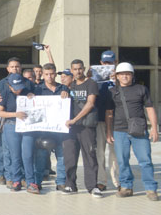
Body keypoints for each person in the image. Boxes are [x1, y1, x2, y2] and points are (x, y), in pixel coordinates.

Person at [106, 62, 159, 201]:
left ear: (132, 75)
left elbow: (149, 108)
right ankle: (126, 187)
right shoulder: (112, 92)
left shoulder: (141, 89)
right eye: (122, 74)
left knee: (145, 160)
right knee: (122, 161)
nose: (125, 76)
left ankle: (150, 189)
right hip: (119, 130)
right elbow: (109, 113)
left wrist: (155, 128)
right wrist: (108, 132)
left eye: (128, 74)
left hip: (139, 130)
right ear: (117, 76)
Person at [63, 59, 102, 198]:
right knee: (70, 157)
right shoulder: (69, 85)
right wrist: (63, 95)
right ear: (71, 70)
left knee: (90, 156)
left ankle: (92, 187)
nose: (78, 71)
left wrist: (74, 119)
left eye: (80, 68)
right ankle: (70, 185)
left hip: (86, 126)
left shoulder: (91, 83)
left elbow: (90, 104)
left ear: (84, 68)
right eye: (75, 69)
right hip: (70, 129)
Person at [0, 73, 38, 193]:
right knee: (15, 155)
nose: (18, 90)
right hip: (11, 125)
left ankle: (31, 182)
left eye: (20, 87)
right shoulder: (4, 93)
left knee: (28, 154)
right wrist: (15, 114)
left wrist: (32, 97)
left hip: (27, 126)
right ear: (9, 86)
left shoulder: (27, 91)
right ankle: (16, 180)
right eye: (15, 88)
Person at [35, 63, 69, 191]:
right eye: (46, 74)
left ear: (55, 74)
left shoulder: (64, 88)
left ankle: (60, 182)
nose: (49, 77)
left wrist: (67, 96)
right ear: (42, 75)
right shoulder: (37, 89)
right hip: (43, 130)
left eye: (52, 74)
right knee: (41, 156)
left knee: (62, 155)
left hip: (60, 129)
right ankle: (37, 181)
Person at [94, 50, 119, 191]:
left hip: (117, 119)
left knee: (115, 152)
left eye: (110, 62)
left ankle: (117, 181)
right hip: (99, 119)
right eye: (105, 62)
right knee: (100, 152)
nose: (107, 65)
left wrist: (116, 80)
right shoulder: (95, 80)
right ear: (101, 63)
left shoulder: (123, 78)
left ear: (115, 62)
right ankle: (101, 180)